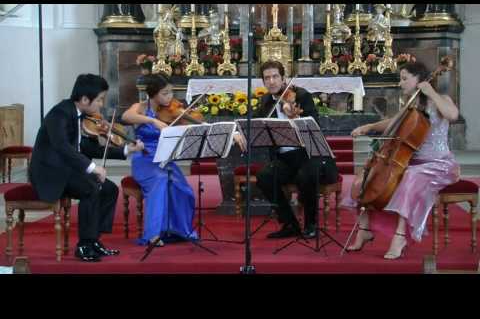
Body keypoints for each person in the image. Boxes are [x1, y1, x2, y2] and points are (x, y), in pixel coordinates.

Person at [342, 61, 460, 259]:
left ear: (420, 80)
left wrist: (431, 93)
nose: (400, 83)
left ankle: (400, 236)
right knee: (366, 177)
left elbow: (453, 115)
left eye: (405, 78)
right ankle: (364, 229)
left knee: (410, 176)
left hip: (439, 164)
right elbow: (393, 122)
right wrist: (369, 126)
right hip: (411, 162)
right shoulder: (412, 105)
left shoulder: (441, 99)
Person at [29, 74, 145, 262]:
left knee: (109, 189)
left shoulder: (80, 116)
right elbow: (61, 146)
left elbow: (88, 148)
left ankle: (93, 240)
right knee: (91, 187)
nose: (101, 105)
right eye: (99, 100)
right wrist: (93, 168)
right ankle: (83, 245)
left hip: (68, 170)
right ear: (84, 99)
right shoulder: (59, 113)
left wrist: (126, 149)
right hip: (50, 173)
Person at [121, 74, 245, 246]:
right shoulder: (141, 107)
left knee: (184, 190)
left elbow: (200, 125)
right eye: (165, 93)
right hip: (145, 159)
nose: (170, 97)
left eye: (171, 92)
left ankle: (177, 230)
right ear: (153, 94)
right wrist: (153, 121)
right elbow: (126, 117)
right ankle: (153, 234)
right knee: (160, 180)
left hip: (165, 159)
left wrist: (232, 133)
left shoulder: (174, 111)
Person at [255, 61, 339, 239]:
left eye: (275, 76)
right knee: (264, 176)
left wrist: (296, 116)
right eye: (267, 78)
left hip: (310, 155)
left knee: (306, 175)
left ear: (284, 78)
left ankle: (311, 224)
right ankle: (289, 224)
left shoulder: (301, 95)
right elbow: (255, 125)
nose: (271, 81)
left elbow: (314, 124)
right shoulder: (265, 101)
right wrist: (240, 133)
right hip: (286, 159)